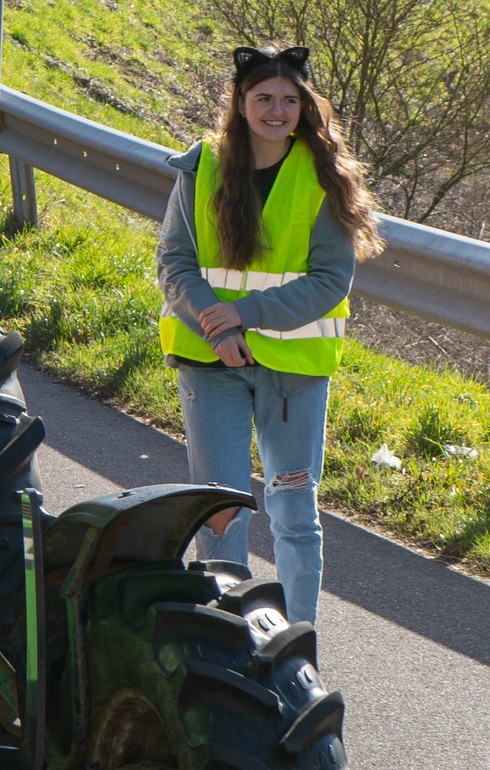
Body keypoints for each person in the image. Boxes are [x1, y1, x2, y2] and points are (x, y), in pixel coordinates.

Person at [155, 45, 383, 625]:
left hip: (294, 376)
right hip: (212, 367)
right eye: (264, 99)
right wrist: (217, 326)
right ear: (240, 102)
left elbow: (331, 279)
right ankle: (229, 642)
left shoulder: (324, 176)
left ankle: (298, 643)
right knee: (220, 513)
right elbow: (175, 264)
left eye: (289, 100)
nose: (276, 110)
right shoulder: (200, 166)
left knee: (294, 512)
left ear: (306, 106)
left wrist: (245, 315)